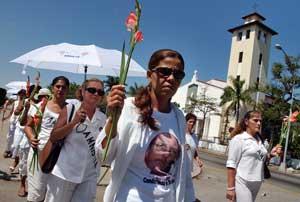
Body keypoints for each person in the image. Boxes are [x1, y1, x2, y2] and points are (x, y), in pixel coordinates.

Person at [96, 49, 196, 202]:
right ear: (150, 75)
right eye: (164, 71)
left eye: (178, 74)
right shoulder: (129, 108)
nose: (171, 78)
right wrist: (113, 119)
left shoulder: (179, 116)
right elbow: (104, 156)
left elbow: (183, 173)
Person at [43, 78, 106, 202]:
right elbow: (54, 136)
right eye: (92, 90)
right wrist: (73, 122)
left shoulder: (103, 118)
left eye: (100, 92)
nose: (96, 94)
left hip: (89, 176)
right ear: (82, 91)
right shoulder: (71, 108)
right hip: (64, 173)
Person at [24, 77, 69, 202]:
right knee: (36, 193)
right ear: (52, 88)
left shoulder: (71, 110)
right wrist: (32, 137)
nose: (60, 89)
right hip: (38, 154)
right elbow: (28, 126)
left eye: (63, 87)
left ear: (67, 89)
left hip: (60, 157)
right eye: (58, 86)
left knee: (54, 195)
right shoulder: (40, 107)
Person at [226, 110, 268, 202]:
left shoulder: (259, 139)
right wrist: (230, 188)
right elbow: (231, 164)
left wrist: (271, 154)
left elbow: (261, 159)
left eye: (260, 121)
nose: (259, 123)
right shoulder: (239, 139)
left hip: (257, 181)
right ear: (246, 122)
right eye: (255, 120)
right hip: (243, 181)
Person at [185, 113, 203, 177]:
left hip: (189, 168)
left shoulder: (194, 137)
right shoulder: (181, 134)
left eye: (194, 122)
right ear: (185, 122)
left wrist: (198, 159)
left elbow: (194, 150)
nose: (192, 124)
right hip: (180, 168)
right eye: (190, 122)